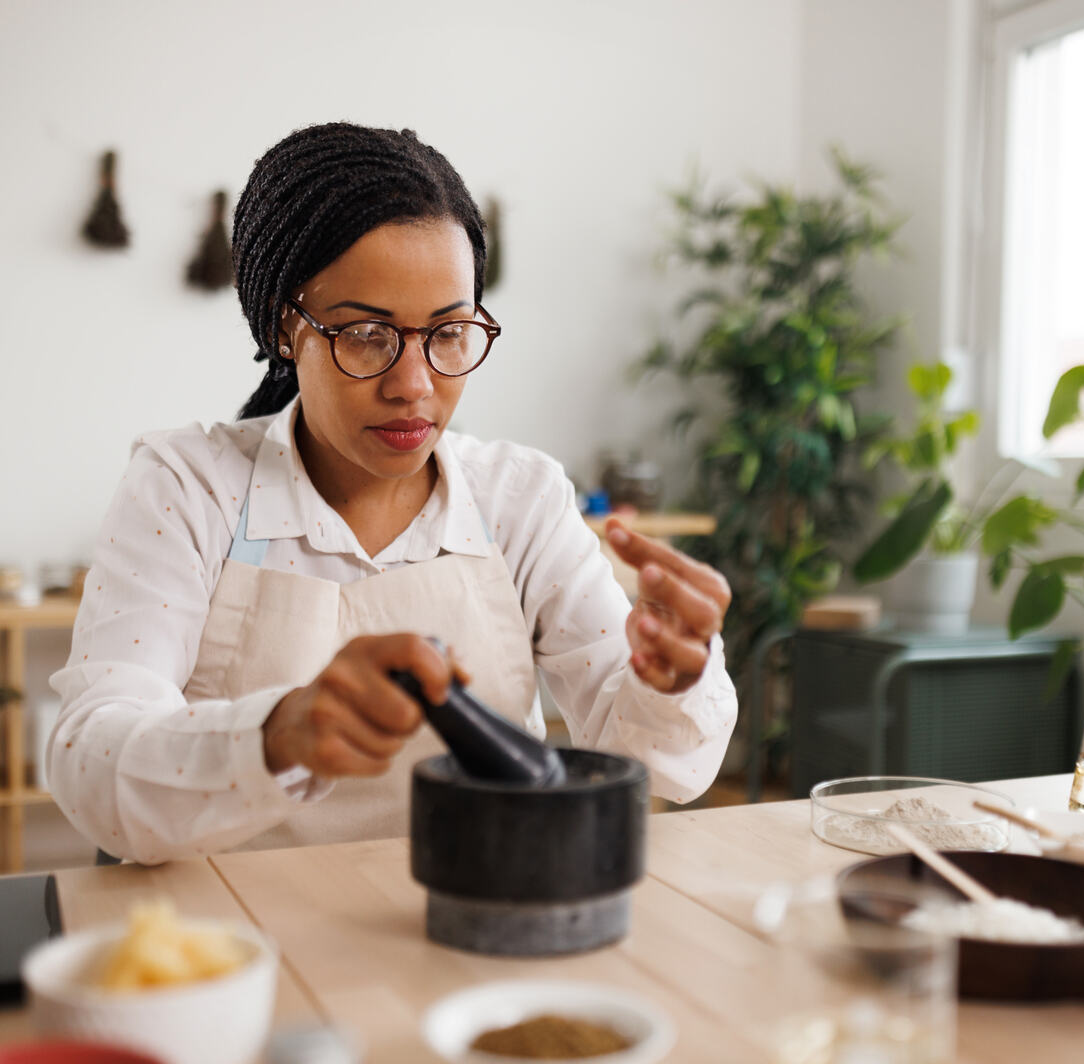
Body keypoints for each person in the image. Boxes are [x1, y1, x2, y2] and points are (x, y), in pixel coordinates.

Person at [48, 122, 737, 864]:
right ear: (287, 327)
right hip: (238, 938)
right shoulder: (191, 487)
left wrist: (673, 677)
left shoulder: (519, 498)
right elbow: (93, 758)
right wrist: (277, 733)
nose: (414, 386)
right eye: (368, 334)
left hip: (476, 921)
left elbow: (658, 762)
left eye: (448, 334)